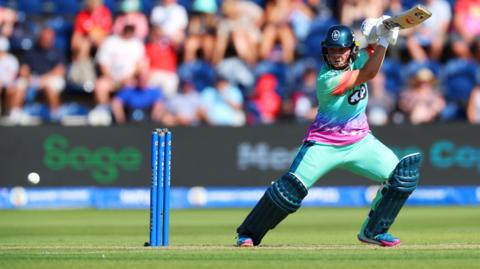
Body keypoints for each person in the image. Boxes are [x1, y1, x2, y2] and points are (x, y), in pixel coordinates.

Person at [235, 21, 422, 247]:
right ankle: (248, 234)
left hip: (360, 141)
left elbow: (371, 50)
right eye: (332, 50)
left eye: (341, 50)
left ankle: (374, 231)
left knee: (402, 177)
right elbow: (370, 72)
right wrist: (383, 39)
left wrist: (376, 30)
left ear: (351, 50)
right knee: (288, 191)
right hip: (324, 144)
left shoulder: (360, 56)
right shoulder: (327, 79)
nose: (336, 55)